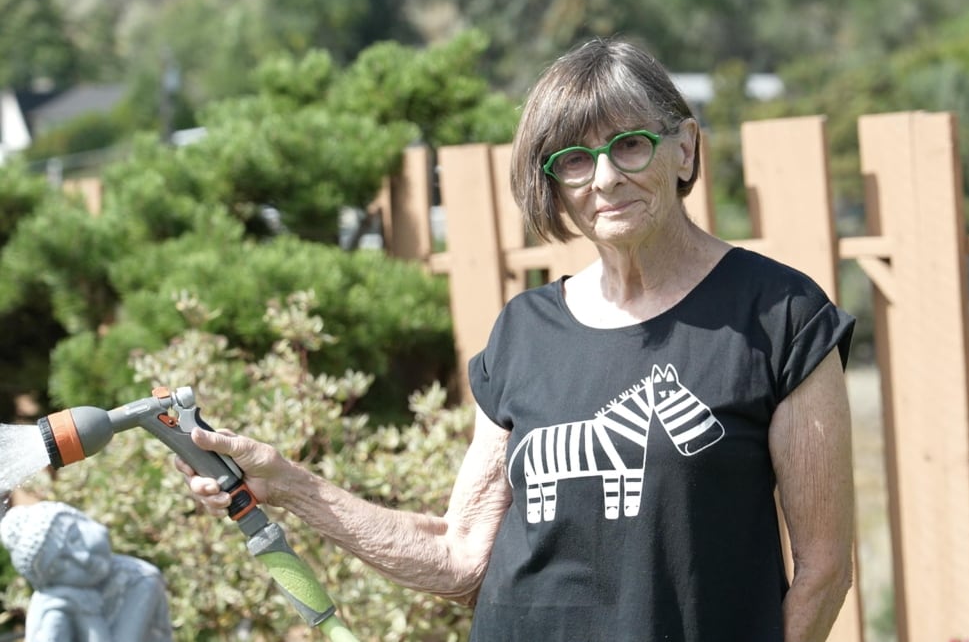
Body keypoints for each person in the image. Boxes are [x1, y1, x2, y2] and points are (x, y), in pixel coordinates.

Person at [176, 35, 857, 641]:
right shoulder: (524, 331)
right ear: (552, 184)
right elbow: (459, 553)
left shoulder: (779, 315)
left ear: (683, 148)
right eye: (574, 159)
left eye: (629, 144)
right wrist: (287, 483)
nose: (605, 177)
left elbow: (824, 568)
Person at [0, 500, 173, 642]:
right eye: (61, 566)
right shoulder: (54, 599)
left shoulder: (140, 579)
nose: (83, 558)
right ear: (50, 581)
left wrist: (88, 614)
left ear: (84, 519)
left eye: (75, 538)